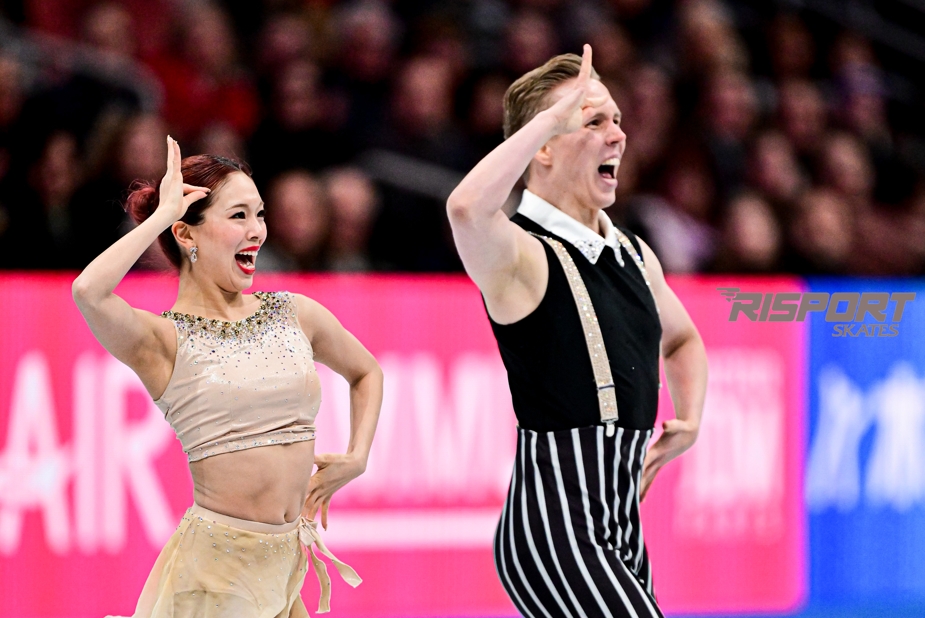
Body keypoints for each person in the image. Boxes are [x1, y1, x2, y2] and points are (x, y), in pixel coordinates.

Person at [447, 46, 708, 617]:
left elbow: (683, 340)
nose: (618, 135)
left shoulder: (635, 255)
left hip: (619, 528)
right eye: (592, 122)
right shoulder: (522, 254)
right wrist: (547, 119)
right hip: (553, 534)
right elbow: (465, 209)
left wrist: (689, 420)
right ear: (542, 145)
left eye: (617, 119)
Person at [72, 138, 382, 617]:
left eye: (259, 214)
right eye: (238, 216)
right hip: (214, 580)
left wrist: (358, 456)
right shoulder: (162, 340)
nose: (257, 230)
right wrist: (161, 216)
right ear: (186, 234)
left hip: (286, 569)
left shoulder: (295, 313)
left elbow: (366, 372)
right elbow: (89, 291)